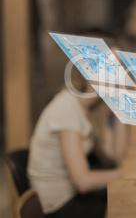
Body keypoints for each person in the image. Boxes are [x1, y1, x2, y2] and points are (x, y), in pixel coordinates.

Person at [28, 62, 128, 217]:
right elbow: (83, 182)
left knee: (128, 197)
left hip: (74, 194)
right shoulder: (67, 107)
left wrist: (121, 106)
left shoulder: (92, 109)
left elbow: (114, 156)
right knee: (127, 205)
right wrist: (126, 173)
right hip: (58, 205)